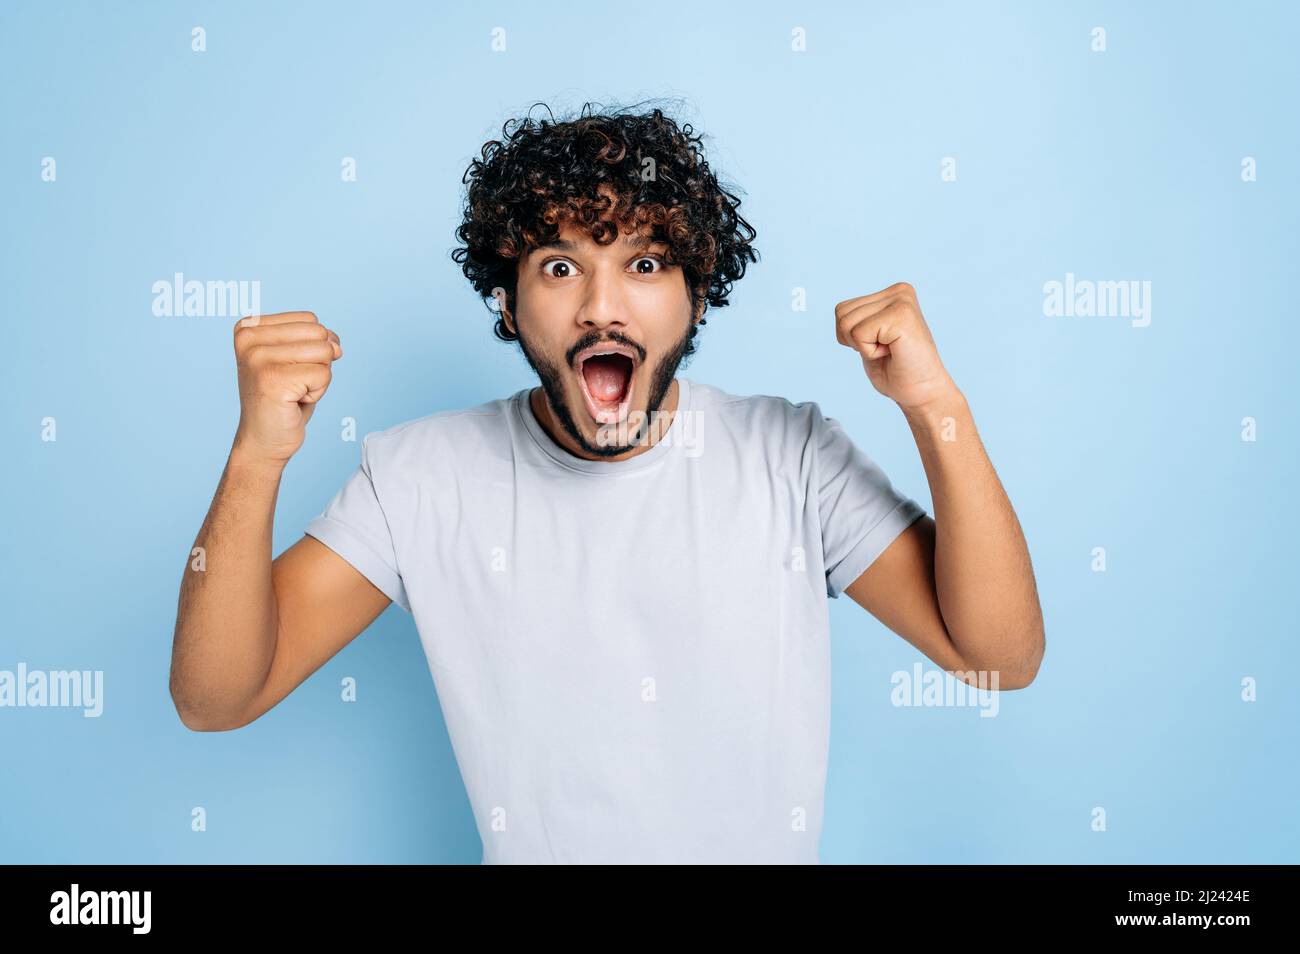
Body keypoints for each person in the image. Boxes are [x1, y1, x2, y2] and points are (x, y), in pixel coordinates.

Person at [169, 103, 1045, 864]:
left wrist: (935, 405)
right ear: (508, 305)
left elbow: (999, 659)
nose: (601, 307)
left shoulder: (793, 455)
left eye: (645, 262)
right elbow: (216, 697)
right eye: (559, 267)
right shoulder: (419, 476)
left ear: (696, 298)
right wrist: (257, 456)